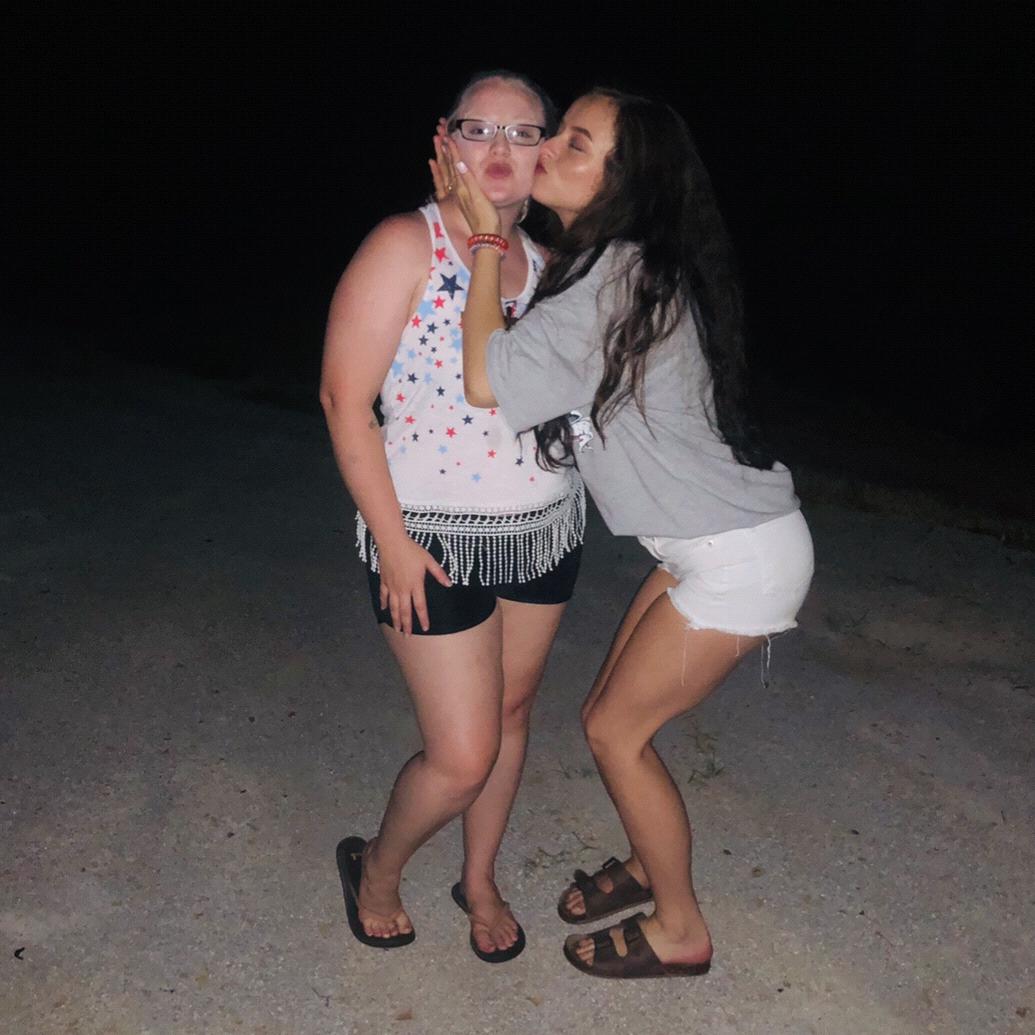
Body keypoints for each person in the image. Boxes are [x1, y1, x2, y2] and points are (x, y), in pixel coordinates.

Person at [434, 87, 814, 978]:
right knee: (603, 716)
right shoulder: (620, 268)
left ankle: (680, 927)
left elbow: (487, 379)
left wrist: (483, 239)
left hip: (737, 556)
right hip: (713, 543)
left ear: (625, 181)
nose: (549, 149)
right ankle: (649, 862)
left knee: (614, 732)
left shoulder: (618, 273)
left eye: (575, 142)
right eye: (559, 131)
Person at [321, 71, 584, 963]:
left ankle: (478, 877)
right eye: (480, 129)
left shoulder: (550, 267)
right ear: (446, 141)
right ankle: (378, 868)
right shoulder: (406, 242)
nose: (500, 150)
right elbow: (343, 400)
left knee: (511, 713)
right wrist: (391, 541)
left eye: (523, 133)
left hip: (544, 529)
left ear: (547, 151)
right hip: (429, 535)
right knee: (462, 753)